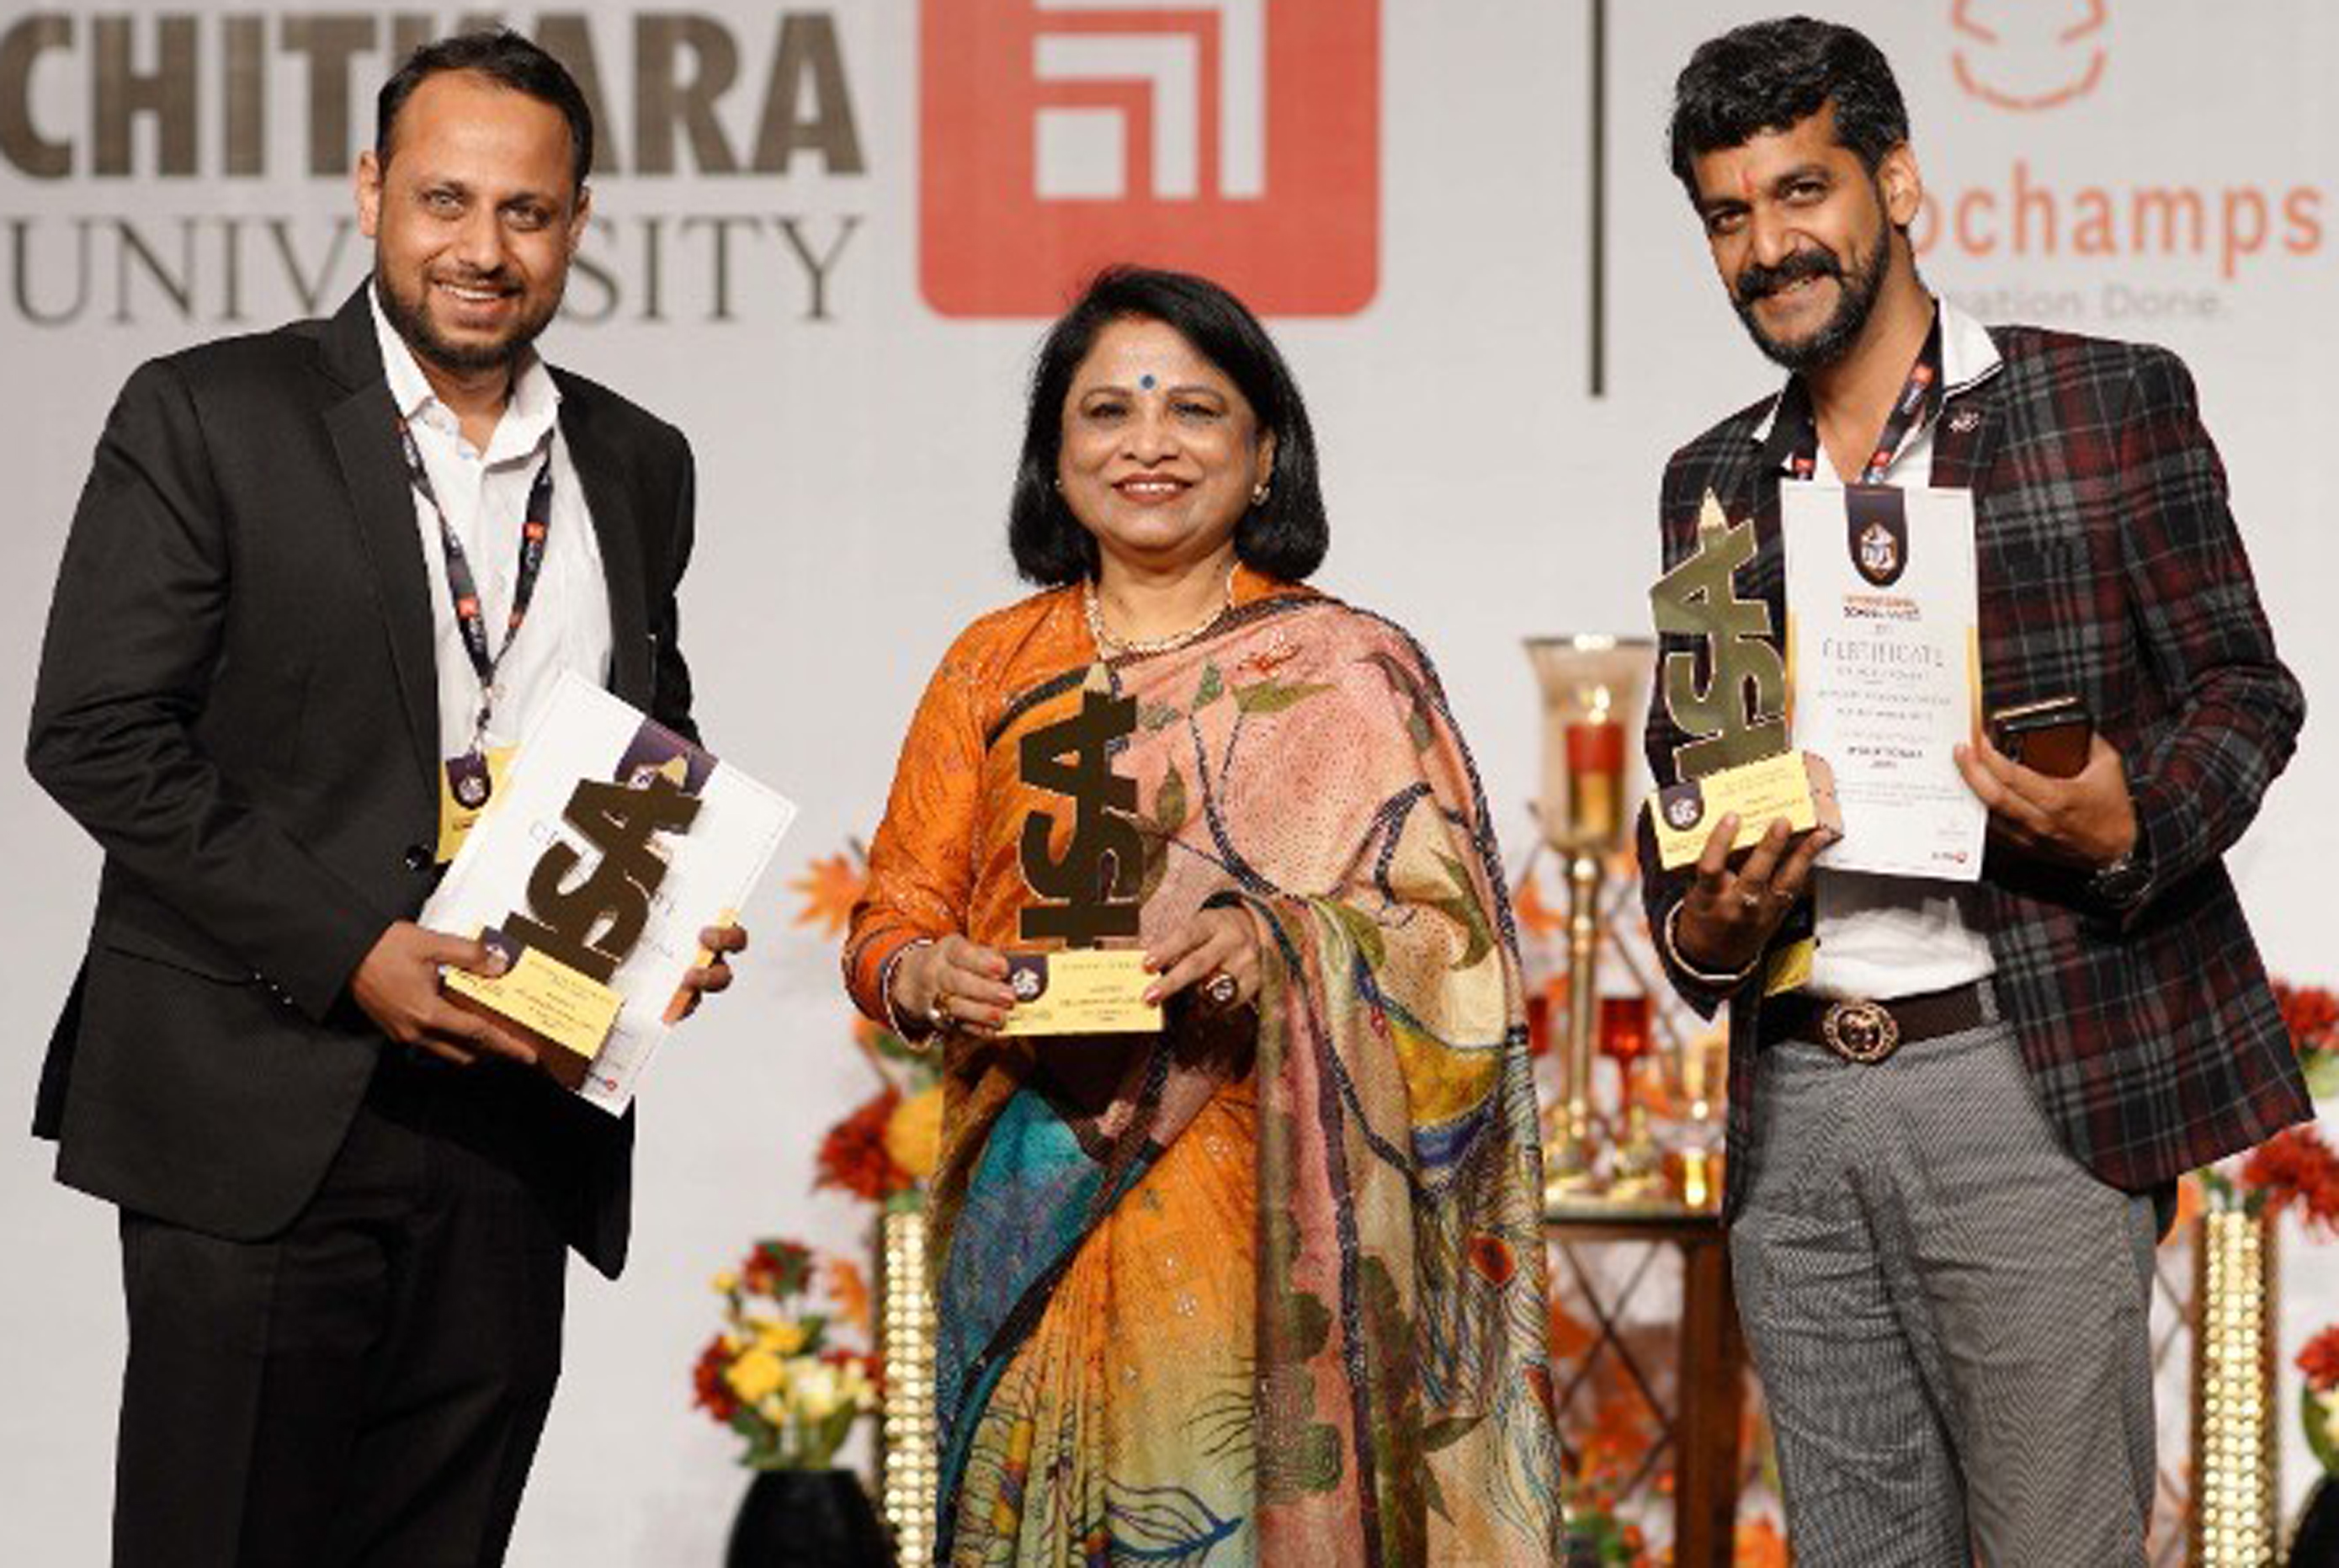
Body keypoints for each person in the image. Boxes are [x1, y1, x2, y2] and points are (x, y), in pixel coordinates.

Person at [26, 30, 745, 1566]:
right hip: (262, 1096)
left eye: (527, 214)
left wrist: (668, 915)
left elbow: (644, 734)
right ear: (368, 193)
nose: (482, 251)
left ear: (578, 220)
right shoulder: (210, 413)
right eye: (444, 200)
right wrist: (355, 943)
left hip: (509, 1120)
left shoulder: (636, 459)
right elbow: (95, 731)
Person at [1640, 18, 2309, 1567]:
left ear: (1899, 179)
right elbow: (1700, 772)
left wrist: (2136, 818)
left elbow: (2244, 689)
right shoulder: (1712, 479)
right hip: (1796, 1100)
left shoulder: (2102, 402)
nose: (1767, 246)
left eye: (1801, 194)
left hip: (2023, 1080)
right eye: (1728, 215)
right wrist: (1716, 918)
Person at [846, 266, 1563, 1565]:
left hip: (1267, 1225)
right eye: (1108, 412)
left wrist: (1279, 945)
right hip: (1033, 1196)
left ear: (1266, 448)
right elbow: (888, 919)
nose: (1150, 444)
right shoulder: (991, 664)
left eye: (1194, 408)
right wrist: (919, 974)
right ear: (1054, 458)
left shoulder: (1347, 669)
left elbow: (1455, 956)